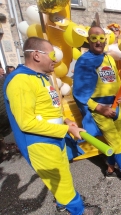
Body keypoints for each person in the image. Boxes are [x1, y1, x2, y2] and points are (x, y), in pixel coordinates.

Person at [3, 37, 102, 214]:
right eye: (52, 54)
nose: (55, 60)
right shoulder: (20, 81)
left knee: (62, 176)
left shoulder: (41, 77)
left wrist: (65, 121)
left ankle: (63, 203)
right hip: (41, 144)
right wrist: (68, 129)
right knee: (62, 181)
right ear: (36, 55)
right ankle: (79, 211)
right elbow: (27, 123)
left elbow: (48, 108)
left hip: (55, 138)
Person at [73, 26, 121, 186]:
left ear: (105, 39)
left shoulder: (109, 58)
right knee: (117, 143)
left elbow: (116, 80)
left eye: (101, 38)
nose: (98, 41)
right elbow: (79, 93)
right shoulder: (84, 61)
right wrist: (99, 108)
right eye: (94, 38)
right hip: (100, 109)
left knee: (118, 140)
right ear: (88, 40)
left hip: (115, 106)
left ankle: (110, 169)